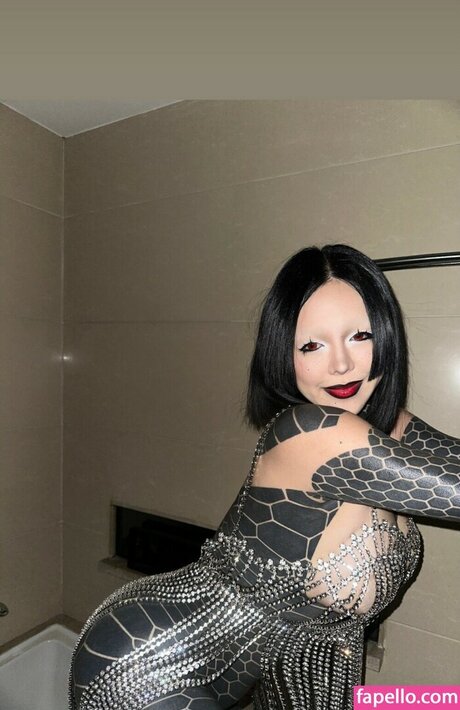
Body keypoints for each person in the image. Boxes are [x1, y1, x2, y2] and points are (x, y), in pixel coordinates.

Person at [69, 244, 460, 710]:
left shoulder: (390, 425)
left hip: (273, 661)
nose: (341, 364)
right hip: (149, 659)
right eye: (311, 345)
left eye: (360, 336)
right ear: (283, 355)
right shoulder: (311, 430)